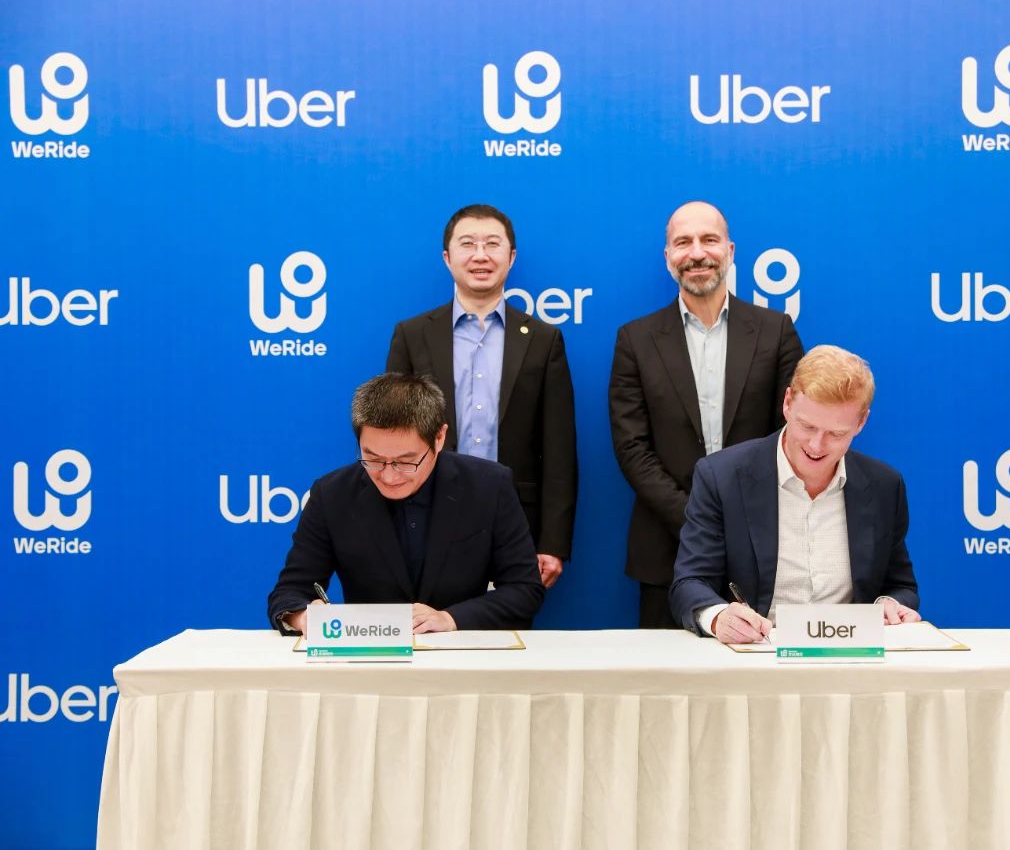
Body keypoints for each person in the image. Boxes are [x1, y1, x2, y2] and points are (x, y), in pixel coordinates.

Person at [609, 200, 803, 627]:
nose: (697, 253)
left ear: (730, 251)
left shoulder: (776, 332)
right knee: (665, 670)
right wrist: (698, 519)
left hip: (761, 547)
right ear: (668, 257)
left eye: (709, 240)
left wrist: (739, 521)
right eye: (683, 243)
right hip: (666, 549)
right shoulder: (636, 340)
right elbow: (632, 448)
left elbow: (792, 435)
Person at [668, 345, 920, 643]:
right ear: (787, 403)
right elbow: (689, 583)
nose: (816, 445)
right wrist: (719, 616)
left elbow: (900, 585)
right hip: (757, 652)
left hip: (850, 654)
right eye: (807, 426)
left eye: (836, 433)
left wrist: (890, 605)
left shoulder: (884, 486)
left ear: (861, 422)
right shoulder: (722, 477)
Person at [386, 204, 577, 589]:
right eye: (467, 244)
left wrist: (553, 543)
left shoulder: (543, 340)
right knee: (427, 623)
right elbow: (391, 436)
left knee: (505, 624)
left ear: (511, 257)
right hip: (425, 516)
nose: (480, 255)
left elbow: (559, 450)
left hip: (514, 523)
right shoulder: (413, 335)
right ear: (447, 257)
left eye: (492, 244)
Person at [266, 373, 544, 635]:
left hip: (462, 653)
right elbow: (290, 592)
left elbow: (524, 590)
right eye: (373, 459)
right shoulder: (331, 494)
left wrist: (449, 619)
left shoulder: (489, 486)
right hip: (370, 656)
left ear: (439, 438)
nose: (389, 476)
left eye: (406, 462)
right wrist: (305, 617)